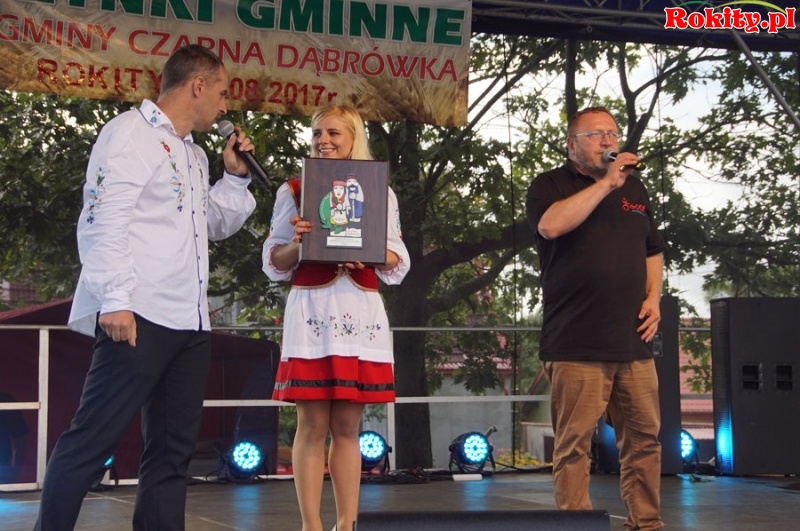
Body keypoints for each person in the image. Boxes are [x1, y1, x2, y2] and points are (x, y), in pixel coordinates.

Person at [35, 44, 258, 531]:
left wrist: (236, 179)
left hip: (189, 322)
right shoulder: (129, 133)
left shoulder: (193, 153)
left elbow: (211, 224)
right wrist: (115, 299)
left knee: (172, 452)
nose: (225, 106)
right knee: (92, 440)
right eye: (222, 92)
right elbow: (102, 220)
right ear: (197, 85)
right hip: (138, 313)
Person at [262, 104, 410, 531]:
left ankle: (347, 525)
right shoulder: (295, 190)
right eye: (317, 134)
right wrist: (301, 242)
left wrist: (368, 252)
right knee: (311, 423)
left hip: (358, 309)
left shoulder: (379, 190)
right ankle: (311, 526)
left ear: (353, 138)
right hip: (313, 308)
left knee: (347, 425)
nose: (323, 141)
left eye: (333, 133)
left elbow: (397, 259)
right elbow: (274, 261)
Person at [525, 106, 665, 530]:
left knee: (644, 441)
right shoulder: (550, 184)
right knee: (574, 446)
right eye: (596, 134)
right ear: (572, 144)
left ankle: (646, 523)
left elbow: (653, 250)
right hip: (576, 342)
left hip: (633, 340)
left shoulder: (635, 188)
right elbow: (550, 226)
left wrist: (654, 298)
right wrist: (606, 184)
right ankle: (577, 525)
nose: (608, 140)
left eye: (612, 133)